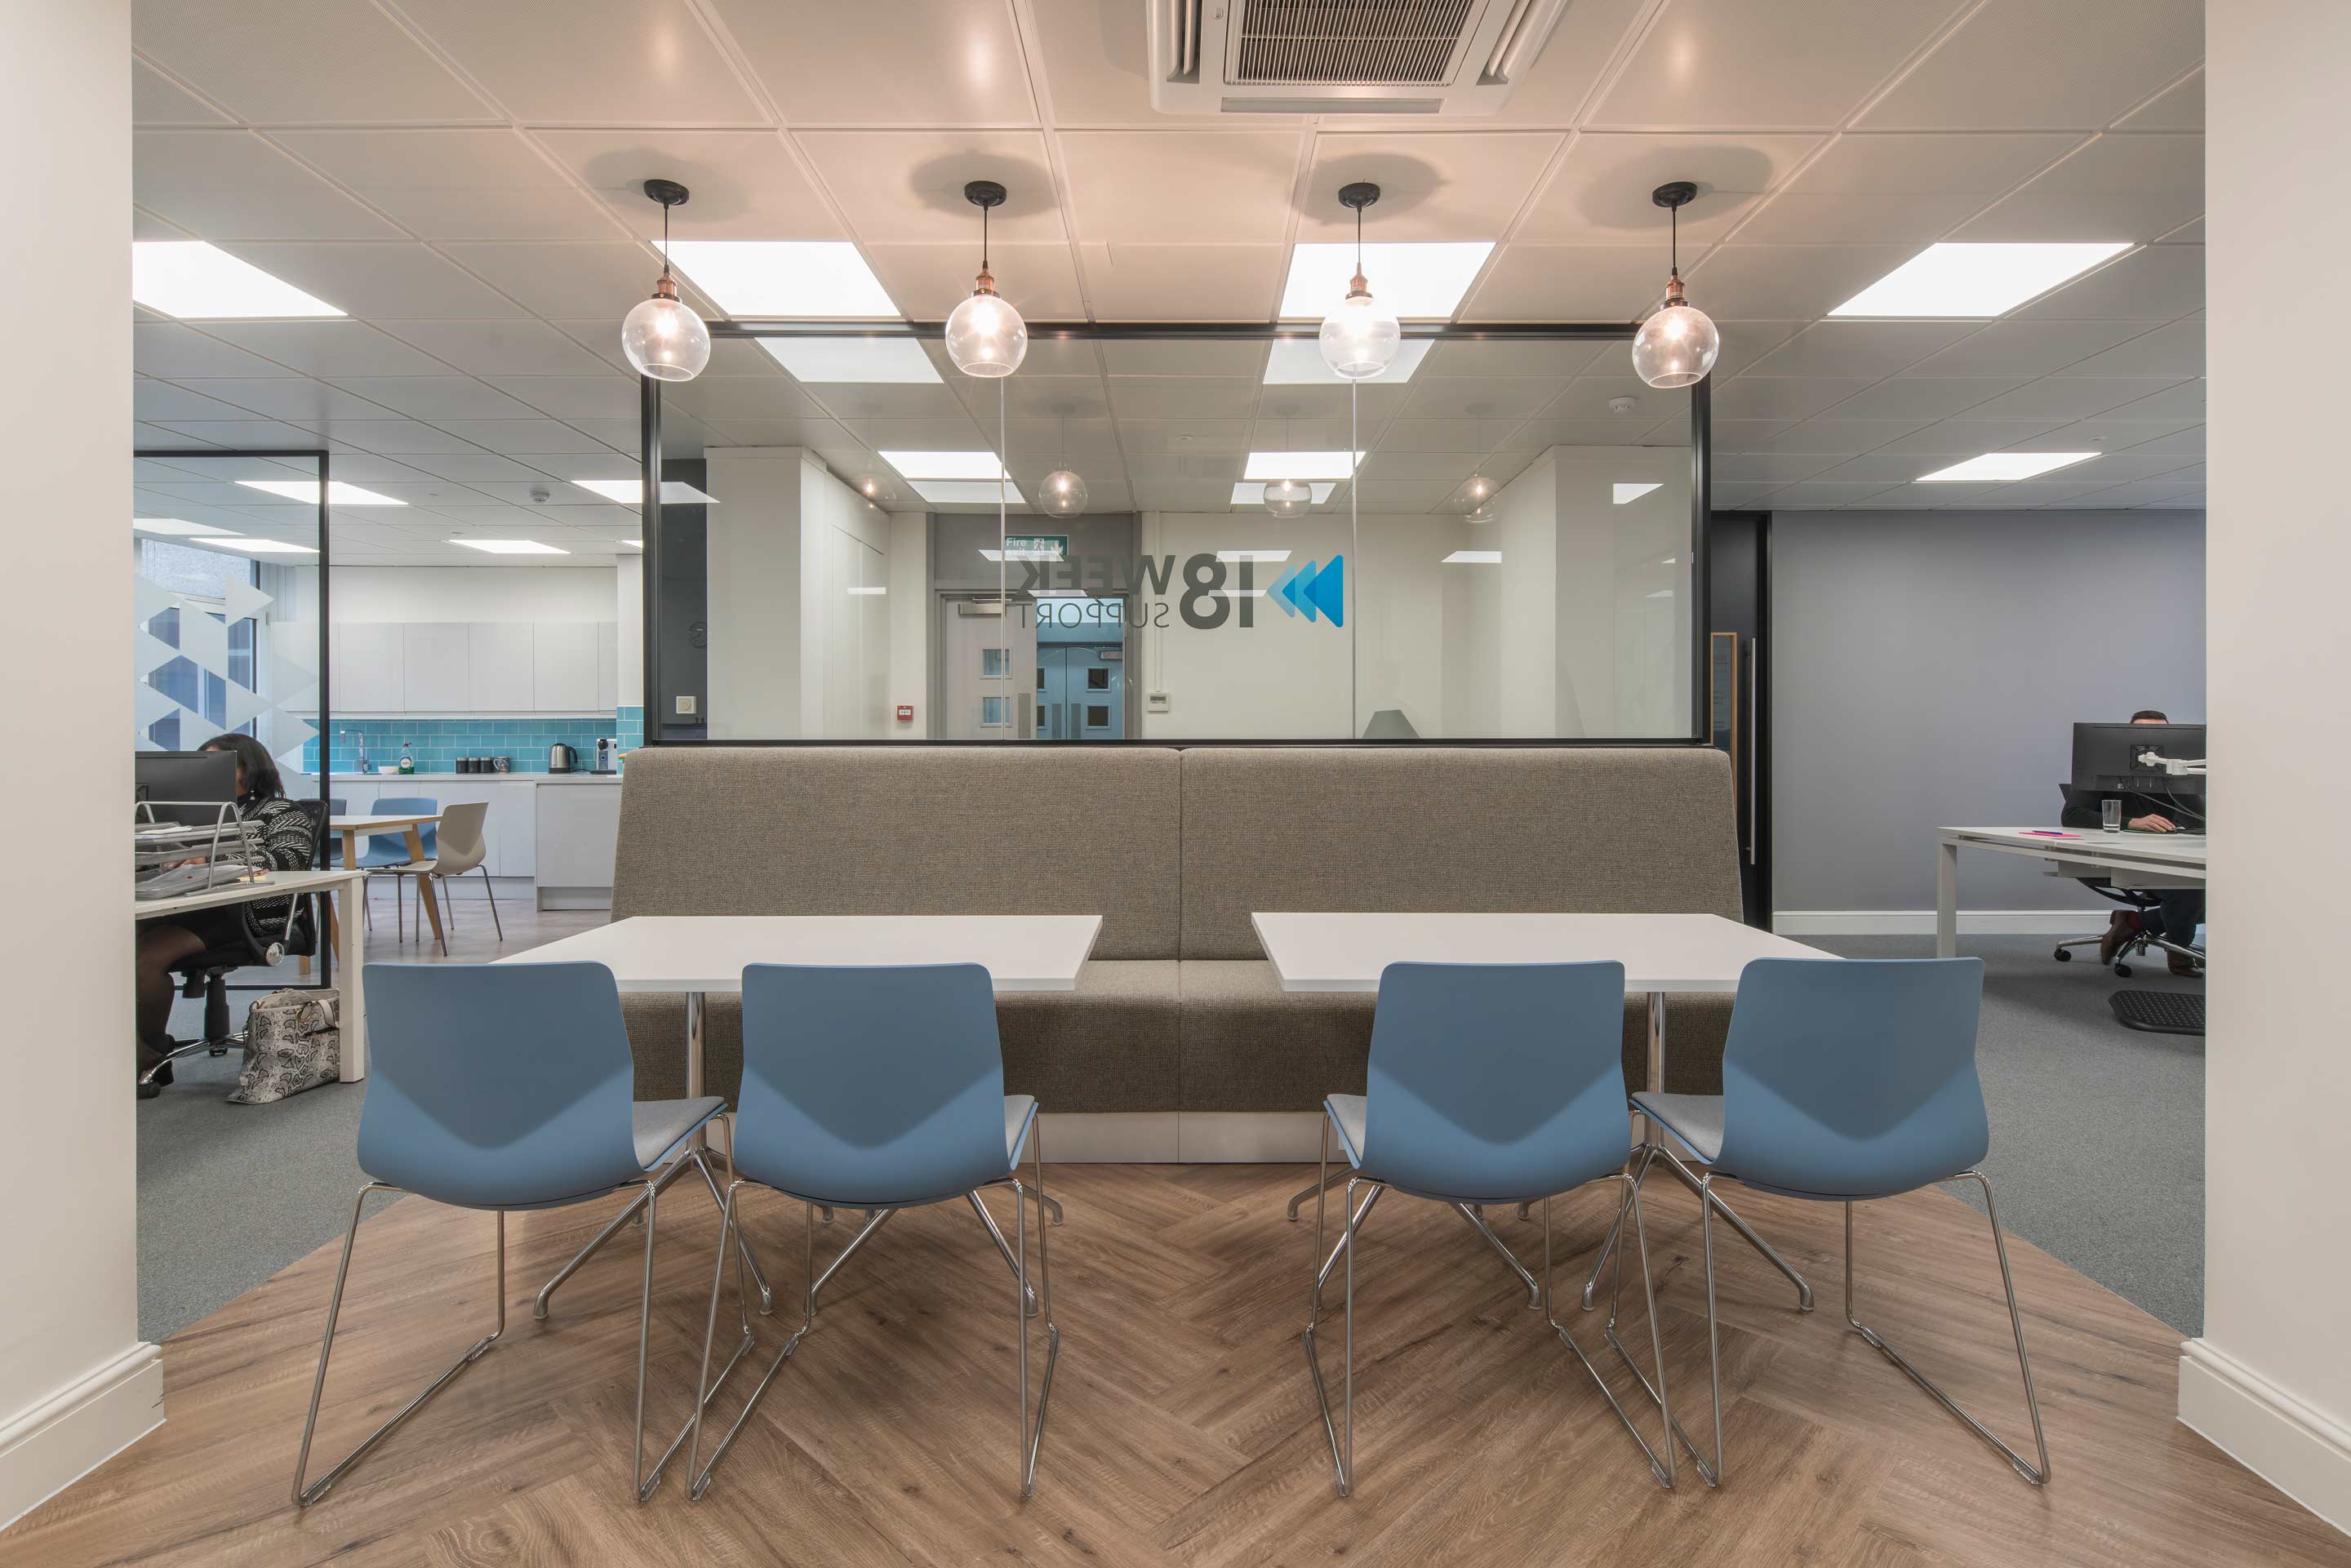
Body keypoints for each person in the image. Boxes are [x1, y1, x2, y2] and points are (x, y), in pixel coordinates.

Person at [134, 734, 319, 1096]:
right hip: (179, 904)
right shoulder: (177, 817)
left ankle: (149, 1053)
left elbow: (290, 861)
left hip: (241, 913)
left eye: (220, 765)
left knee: (146, 958)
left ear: (250, 770)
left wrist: (214, 858)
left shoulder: (279, 811)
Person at [2060, 708, 2204, 975]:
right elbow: (2072, 815)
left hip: (2170, 857)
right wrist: (2131, 822)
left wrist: (2183, 778)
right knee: (2189, 889)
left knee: (2223, 889)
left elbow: (2201, 821)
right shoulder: (2102, 768)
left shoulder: (2179, 773)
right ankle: (2179, 954)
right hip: (2116, 861)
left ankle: (2134, 922)